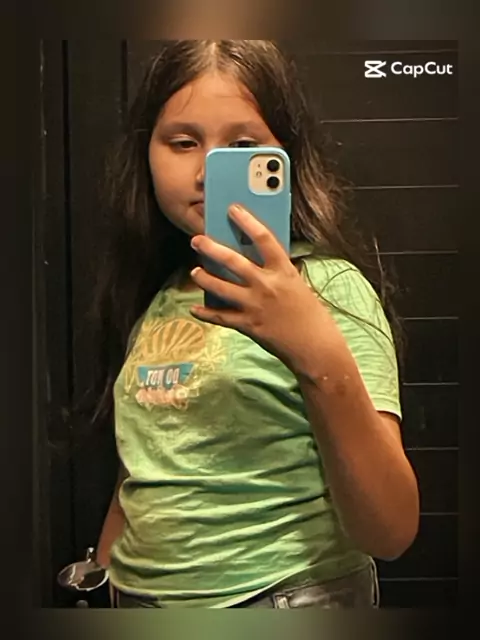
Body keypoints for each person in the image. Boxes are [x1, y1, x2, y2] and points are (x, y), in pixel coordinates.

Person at [91, 40, 419, 609]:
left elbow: (390, 529)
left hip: (282, 600)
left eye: (243, 147)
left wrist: (313, 347)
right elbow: (142, 475)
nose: (206, 171)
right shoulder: (162, 295)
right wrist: (100, 577)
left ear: (284, 158)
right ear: (146, 152)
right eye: (183, 142)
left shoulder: (328, 288)